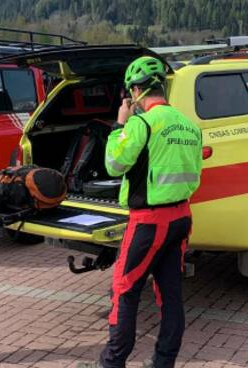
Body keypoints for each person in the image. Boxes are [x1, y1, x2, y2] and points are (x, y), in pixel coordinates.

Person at [79, 56, 203, 368]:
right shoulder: (189, 125)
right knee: (170, 294)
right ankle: (163, 362)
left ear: (136, 90)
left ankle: (112, 362)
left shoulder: (141, 123)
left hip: (148, 221)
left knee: (124, 289)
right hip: (181, 217)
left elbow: (114, 164)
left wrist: (120, 124)